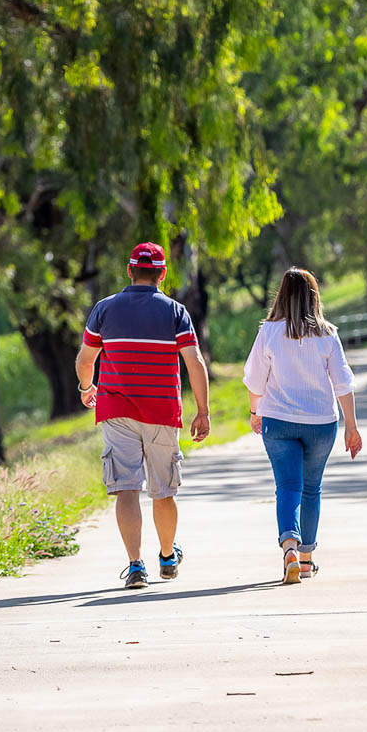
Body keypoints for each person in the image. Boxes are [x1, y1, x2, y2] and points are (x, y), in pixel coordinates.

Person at [76, 242, 211, 589]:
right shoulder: (175, 311)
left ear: (129, 270)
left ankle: (136, 566)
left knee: (127, 489)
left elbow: (85, 360)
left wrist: (86, 388)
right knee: (163, 490)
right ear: (162, 274)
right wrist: (203, 411)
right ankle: (167, 556)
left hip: (116, 410)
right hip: (162, 411)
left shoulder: (104, 309)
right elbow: (194, 362)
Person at [243, 267, 363, 584]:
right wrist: (351, 426)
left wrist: (255, 411)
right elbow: (343, 383)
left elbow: (254, 380)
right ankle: (307, 560)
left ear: (281, 295)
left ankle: (290, 550)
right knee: (311, 488)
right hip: (321, 424)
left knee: (288, 486)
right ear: (314, 297)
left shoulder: (268, 331)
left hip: (278, 422)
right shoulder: (327, 333)